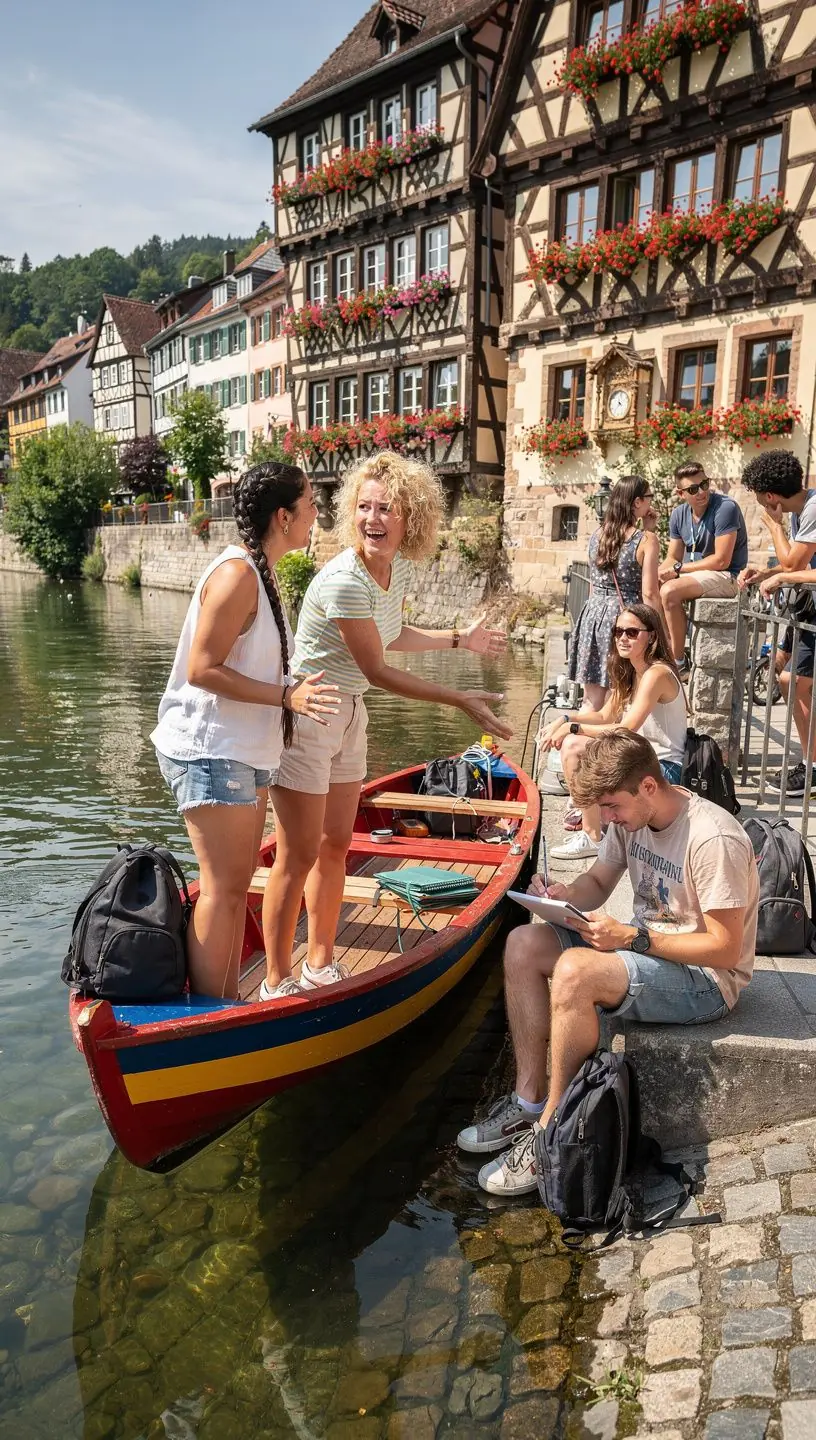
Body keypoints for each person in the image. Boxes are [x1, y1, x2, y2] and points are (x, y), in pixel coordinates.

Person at [457, 730, 759, 1195]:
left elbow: (724, 948)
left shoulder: (713, 838)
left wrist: (632, 937)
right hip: (648, 951)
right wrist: (562, 896)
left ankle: (551, 1133)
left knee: (576, 971)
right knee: (522, 943)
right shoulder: (630, 819)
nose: (609, 819)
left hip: (706, 980)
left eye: (613, 807)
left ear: (649, 787)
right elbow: (598, 881)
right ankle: (528, 1100)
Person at [261, 451, 511, 1000]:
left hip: (349, 714)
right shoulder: (345, 579)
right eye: (365, 507)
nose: (373, 519)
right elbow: (377, 668)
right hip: (309, 716)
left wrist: (456, 639)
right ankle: (276, 981)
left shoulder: (389, 572)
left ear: (410, 519)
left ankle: (320, 963)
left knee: (334, 847)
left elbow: (390, 634)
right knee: (296, 854)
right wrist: (459, 699)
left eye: (386, 509)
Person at [151, 463, 339, 1001]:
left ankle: (226, 1002)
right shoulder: (237, 574)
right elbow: (202, 668)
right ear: (283, 517)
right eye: (309, 505)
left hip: (242, 752)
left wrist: (288, 685)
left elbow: (242, 661)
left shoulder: (260, 571)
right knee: (224, 892)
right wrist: (285, 696)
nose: (315, 515)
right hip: (212, 752)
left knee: (232, 892)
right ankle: (214, 1014)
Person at [540, 604, 687, 860]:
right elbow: (604, 716)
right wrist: (564, 718)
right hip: (636, 756)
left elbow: (627, 727)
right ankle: (593, 825)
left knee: (574, 746)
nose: (623, 638)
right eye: (618, 631)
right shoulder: (632, 670)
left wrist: (572, 728)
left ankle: (592, 837)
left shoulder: (657, 673)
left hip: (662, 766)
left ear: (651, 636)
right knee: (573, 743)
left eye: (632, 632)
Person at [738, 450, 816, 796]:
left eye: (758, 496)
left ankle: (813, 768)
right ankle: (810, 759)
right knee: (783, 671)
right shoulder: (803, 508)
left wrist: (773, 527)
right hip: (807, 606)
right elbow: (795, 567)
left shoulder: (811, 510)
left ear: (770, 496)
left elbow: (791, 560)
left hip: (813, 609)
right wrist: (767, 573)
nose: (759, 503)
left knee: (792, 682)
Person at [567, 475, 661, 712]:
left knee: (591, 699)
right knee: (618, 699)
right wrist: (659, 630)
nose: (651, 503)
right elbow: (649, 593)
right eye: (649, 497)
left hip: (593, 615)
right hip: (625, 619)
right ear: (637, 502)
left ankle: (581, 746)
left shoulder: (597, 535)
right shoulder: (647, 541)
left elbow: (592, 583)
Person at [659, 461, 749, 672]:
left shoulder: (725, 507)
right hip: (695, 575)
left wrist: (678, 570)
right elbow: (672, 557)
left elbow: (721, 561)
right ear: (681, 494)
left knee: (670, 591)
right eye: (693, 489)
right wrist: (656, 574)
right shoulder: (678, 514)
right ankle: (663, 649)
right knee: (650, 587)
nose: (701, 492)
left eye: (704, 484)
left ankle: (678, 662)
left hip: (727, 576)